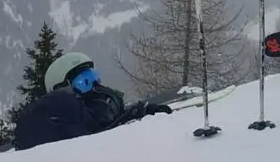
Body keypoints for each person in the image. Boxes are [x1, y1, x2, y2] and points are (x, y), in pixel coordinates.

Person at [13, 52, 173, 150]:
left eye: (93, 76)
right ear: (63, 89)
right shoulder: (66, 120)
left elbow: (111, 125)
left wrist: (141, 112)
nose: (95, 85)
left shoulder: (96, 113)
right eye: (85, 81)